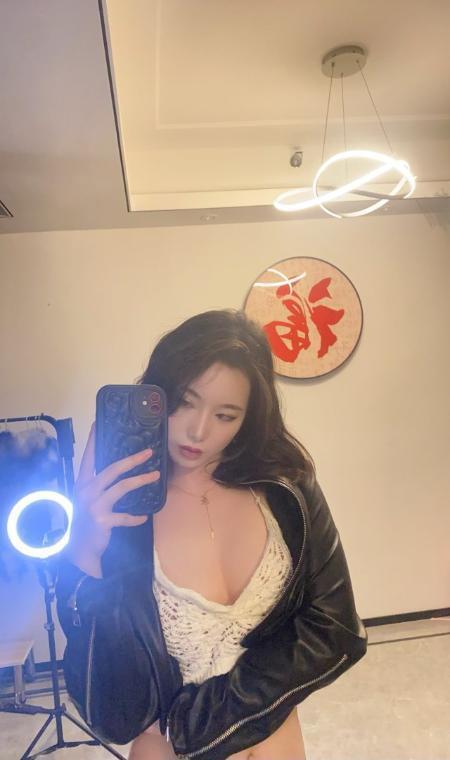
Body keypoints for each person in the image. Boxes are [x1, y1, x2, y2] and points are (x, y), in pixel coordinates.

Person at [56, 309, 368, 760]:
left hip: (248, 738)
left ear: (249, 418)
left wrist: (196, 723)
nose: (198, 431)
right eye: (184, 402)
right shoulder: (125, 515)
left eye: (225, 415)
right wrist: (84, 552)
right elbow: (113, 710)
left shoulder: (285, 488)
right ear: (156, 394)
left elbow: (336, 631)